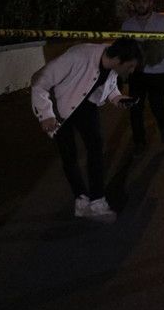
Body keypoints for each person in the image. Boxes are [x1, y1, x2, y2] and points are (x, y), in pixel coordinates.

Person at [31, 39, 143, 222]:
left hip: (86, 106)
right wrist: (45, 114)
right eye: (130, 66)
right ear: (118, 59)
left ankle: (97, 201)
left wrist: (118, 98)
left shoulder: (111, 66)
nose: (131, 71)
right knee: (69, 155)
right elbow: (40, 81)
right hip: (60, 108)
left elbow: (108, 88)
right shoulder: (79, 56)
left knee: (96, 148)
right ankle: (81, 200)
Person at [121, 0, 164, 155]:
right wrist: (123, 70)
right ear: (133, 4)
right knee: (135, 109)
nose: (141, 5)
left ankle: (163, 127)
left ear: (150, 3)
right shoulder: (127, 25)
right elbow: (124, 49)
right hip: (136, 72)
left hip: (157, 72)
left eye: (144, 1)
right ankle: (139, 141)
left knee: (157, 106)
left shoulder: (162, 21)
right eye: (138, 2)